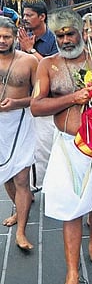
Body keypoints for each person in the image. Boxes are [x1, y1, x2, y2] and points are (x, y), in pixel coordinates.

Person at [30, 10, 92, 284]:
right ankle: (72, 269)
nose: (66, 40)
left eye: (70, 34)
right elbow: (36, 106)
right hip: (67, 146)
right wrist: (73, 97)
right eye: (60, 36)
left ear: (81, 33)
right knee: (71, 206)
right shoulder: (47, 65)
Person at [0, 17, 38, 250]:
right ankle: (18, 209)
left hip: (21, 121)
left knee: (22, 178)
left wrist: (17, 103)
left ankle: (21, 230)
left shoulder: (29, 61)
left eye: (6, 36)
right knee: (6, 174)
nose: (2, 40)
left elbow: (40, 97)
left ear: (15, 36)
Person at [18, 1, 58, 194]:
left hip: (49, 106)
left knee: (48, 151)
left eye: (29, 15)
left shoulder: (55, 40)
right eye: (24, 15)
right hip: (24, 104)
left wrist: (31, 51)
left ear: (42, 17)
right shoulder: (22, 39)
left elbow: (55, 71)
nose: (25, 19)